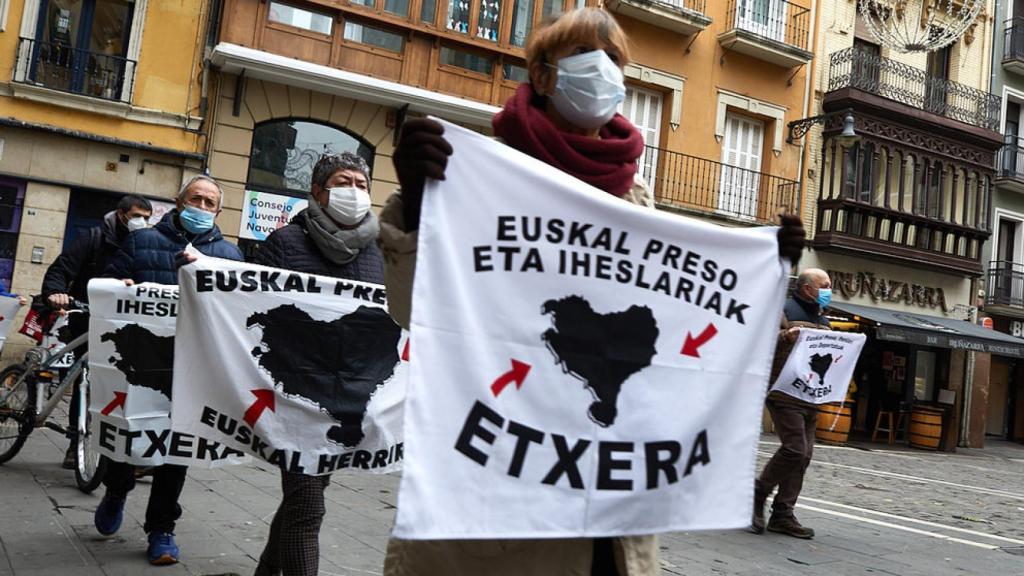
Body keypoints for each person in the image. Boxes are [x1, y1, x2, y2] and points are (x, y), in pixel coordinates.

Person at [379, 8, 806, 575]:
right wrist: (415, 205)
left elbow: (680, 331)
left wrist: (766, 271)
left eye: (615, 61)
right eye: (586, 55)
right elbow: (417, 312)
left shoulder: (636, 199)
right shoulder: (477, 173)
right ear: (542, 75)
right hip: (499, 507)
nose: (603, 71)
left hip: (614, 524)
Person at [95, 175, 243, 566]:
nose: (202, 206)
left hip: (192, 371)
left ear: (218, 211)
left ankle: (162, 529)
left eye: (210, 202)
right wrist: (119, 285)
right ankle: (117, 487)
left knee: (176, 450)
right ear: (179, 202)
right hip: (141, 364)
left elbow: (237, 311)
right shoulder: (142, 242)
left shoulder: (230, 256)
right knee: (129, 439)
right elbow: (108, 284)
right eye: (196, 198)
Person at [249, 152, 385, 576]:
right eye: (344, 182)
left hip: (348, 397)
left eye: (362, 184)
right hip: (295, 393)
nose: (355, 191)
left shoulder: (381, 253)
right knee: (309, 506)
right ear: (318, 191)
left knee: (300, 501)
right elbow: (244, 307)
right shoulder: (285, 244)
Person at [41, 194, 153, 468]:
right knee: (84, 380)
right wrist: (56, 292)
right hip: (88, 319)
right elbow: (62, 269)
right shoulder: (93, 238)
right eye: (138, 216)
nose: (143, 223)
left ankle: (131, 447)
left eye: (148, 219)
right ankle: (75, 442)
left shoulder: (144, 245)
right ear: (121, 213)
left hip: (125, 326)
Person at [752, 268, 832, 540]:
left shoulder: (823, 318)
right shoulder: (783, 310)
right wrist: (784, 337)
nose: (828, 291)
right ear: (809, 288)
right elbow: (759, 342)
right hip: (784, 392)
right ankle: (757, 493)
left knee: (805, 455)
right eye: (825, 286)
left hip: (811, 395)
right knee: (795, 449)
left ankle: (783, 513)